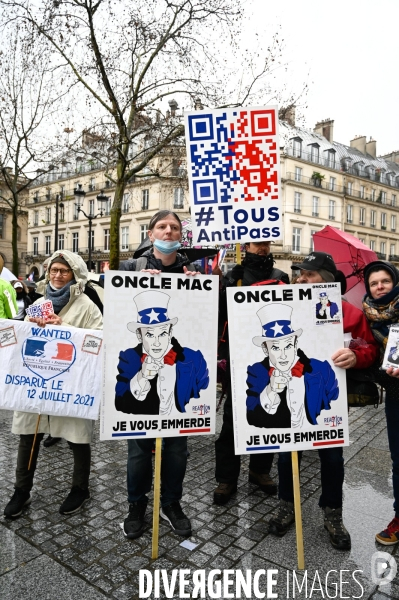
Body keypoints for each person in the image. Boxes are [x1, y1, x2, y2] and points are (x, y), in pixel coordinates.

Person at [268, 251, 379, 550]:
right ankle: (286, 506)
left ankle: (333, 513)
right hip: (289, 396)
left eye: (309, 274)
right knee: (286, 455)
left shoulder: (348, 312)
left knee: (332, 458)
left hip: (329, 400)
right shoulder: (280, 301)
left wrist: (356, 355)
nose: (301, 278)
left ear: (327, 279)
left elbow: (369, 348)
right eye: (299, 273)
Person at [4, 250, 103, 519]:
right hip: (38, 381)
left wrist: (66, 329)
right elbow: (25, 336)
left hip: (71, 387)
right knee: (29, 436)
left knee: (77, 438)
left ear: (75, 274)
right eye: (54, 270)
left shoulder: (86, 306)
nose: (58, 275)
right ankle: (21, 490)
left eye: (64, 271)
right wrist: (31, 323)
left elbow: (99, 340)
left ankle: (80, 488)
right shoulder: (40, 302)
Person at [118, 210, 199, 539]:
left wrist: (205, 291)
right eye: (162, 227)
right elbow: (114, 311)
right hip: (138, 373)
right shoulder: (130, 268)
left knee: (177, 450)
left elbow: (205, 322)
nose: (169, 231)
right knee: (138, 449)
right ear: (150, 234)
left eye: (175, 227)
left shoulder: (193, 272)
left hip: (176, 376)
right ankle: (136, 504)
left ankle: (171, 503)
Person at [213, 241, 289, 505]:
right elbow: (218, 314)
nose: (263, 249)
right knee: (232, 421)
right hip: (237, 358)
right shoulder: (233, 276)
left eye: (266, 244)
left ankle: (260, 470)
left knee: (267, 416)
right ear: (246, 245)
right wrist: (221, 288)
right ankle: (227, 478)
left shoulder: (281, 278)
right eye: (258, 244)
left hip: (270, 358)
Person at [115, 290, 209, 415]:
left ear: (170, 333)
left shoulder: (194, 359)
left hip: (177, 430)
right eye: (149, 334)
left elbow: (204, 397)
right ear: (139, 335)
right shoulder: (128, 358)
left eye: (163, 334)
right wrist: (142, 377)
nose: (157, 342)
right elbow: (120, 404)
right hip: (144, 431)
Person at [247, 304, 339, 430]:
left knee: (332, 450)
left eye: (288, 346)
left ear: (296, 344)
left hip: (318, 436)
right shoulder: (256, 371)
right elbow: (251, 418)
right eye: (275, 348)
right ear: (265, 349)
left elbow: (334, 404)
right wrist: (271, 390)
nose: (283, 355)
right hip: (285, 440)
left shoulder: (320, 368)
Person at [362, 260, 399, 544]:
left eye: (384, 281)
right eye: (374, 283)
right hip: (395, 392)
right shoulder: (370, 318)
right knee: (398, 459)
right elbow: (371, 358)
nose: (379, 287)